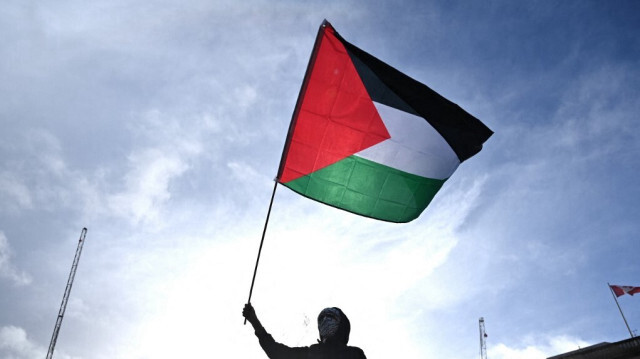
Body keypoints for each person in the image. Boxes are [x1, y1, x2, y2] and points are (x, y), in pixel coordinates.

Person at [243, 303, 367, 359]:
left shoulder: (311, 353)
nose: (326, 322)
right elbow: (277, 352)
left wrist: (254, 322)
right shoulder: (355, 354)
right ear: (344, 328)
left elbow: (276, 352)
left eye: (330, 319)